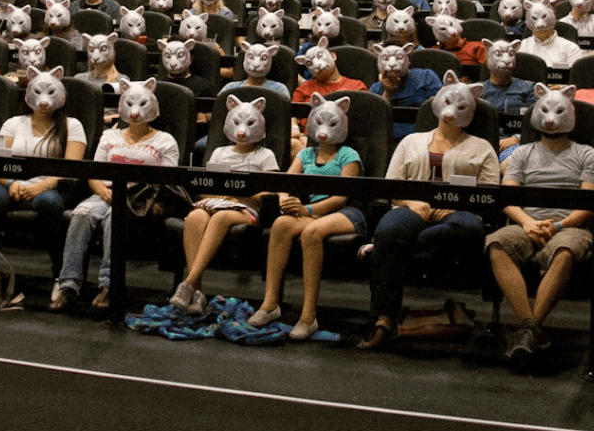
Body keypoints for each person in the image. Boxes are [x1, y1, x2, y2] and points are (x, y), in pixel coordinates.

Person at [359, 72, 499, 349]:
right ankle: (384, 318)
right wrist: (410, 203)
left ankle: (387, 249)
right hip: (412, 207)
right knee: (389, 229)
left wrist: (454, 204)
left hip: (458, 212)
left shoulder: (482, 148)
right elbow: (392, 185)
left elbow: (488, 193)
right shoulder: (411, 141)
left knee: (469, 229)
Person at [50, 77, 179, 312]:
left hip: (138, 200)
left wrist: (123, 198)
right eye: (129, 104)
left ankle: (109, 286)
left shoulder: (165, 141)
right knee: (81, 212)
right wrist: (104, 192)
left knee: (114, 219)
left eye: (141, 105)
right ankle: (68, 285)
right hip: (105, 193)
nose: (135, 112)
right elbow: (94, 173)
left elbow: (167, 181)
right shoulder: (110, 136)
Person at [486, 85, 594, 362]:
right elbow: (507, 196)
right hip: (526, 223)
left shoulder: (587, 154)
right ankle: (531, 328)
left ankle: (525, 331)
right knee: (496, 242)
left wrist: (557, 227)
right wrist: (528, 223)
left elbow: (587, 203)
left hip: (569, 226)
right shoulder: (521, 153)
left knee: (565, 251)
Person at [248, 95, 364, 340]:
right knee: (280, 224)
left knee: (312, 233)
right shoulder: (305, 155)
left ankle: (308, 315)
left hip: (346, 213)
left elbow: (342, 197)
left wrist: (308, 211)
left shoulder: (349, 155)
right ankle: (270, 304)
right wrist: (284, 200)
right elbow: (285, 183)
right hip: (310, 211)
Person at [0, 66, 86, 275]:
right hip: (12, 183)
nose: (44, 100)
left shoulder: (72, 125)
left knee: (49, 204)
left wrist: (41, 186)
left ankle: (62, 273)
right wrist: (11, 183)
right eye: (38, 92)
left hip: (50, 185)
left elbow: (71, 167)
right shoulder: (13, 123)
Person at [170, 95, 279, 316]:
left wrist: (241, 194)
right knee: (194, 217)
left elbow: (269, 192)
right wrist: (223, 194)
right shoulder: (219, 152)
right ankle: (197, 292)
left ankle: (188, 283)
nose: (242, 131)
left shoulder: (266, 155)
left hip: (245, 208)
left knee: (221, 218)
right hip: (215, 202)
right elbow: (207, 187)